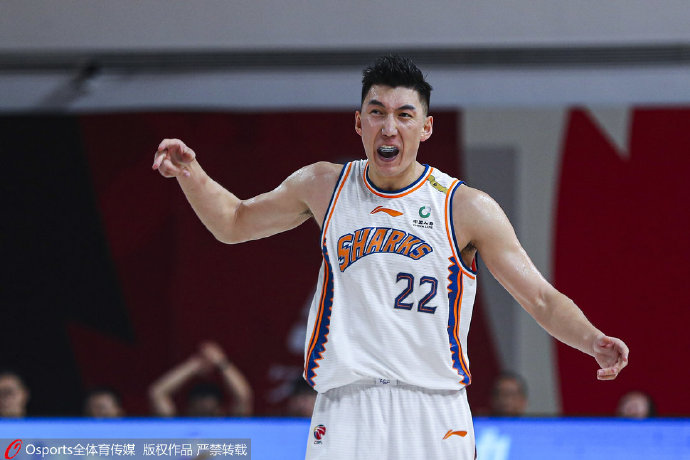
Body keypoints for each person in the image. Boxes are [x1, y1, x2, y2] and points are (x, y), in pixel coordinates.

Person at [152, 54, 629, 459]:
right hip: (346, 404)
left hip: (434, 408)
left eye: (404, 114)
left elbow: (540, 298)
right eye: (377, 112)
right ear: (359, 122)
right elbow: (234, 222)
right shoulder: (323, 185)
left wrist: (592, 339)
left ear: (426, 127)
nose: (389, 126)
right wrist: (192, 175)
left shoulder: (464, 207)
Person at [148, 341, 252, 417]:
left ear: (221, 412)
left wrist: (221, 362)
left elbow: (243, 397)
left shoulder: (231, 431)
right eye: (198, 415)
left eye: (211, 414)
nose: (205, 422)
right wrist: (194, 365)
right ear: (188, 411)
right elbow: (157, 393)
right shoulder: (176, 430)